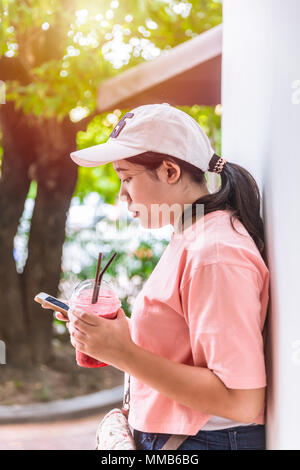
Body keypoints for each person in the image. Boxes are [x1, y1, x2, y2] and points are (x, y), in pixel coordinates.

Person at [45, 103, 269, 450]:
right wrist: (111, 335)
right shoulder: (192, 233)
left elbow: (241, 400)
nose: (122, 195)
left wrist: (123, 352)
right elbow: (183, 344)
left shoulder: (215, 253)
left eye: (127, 178)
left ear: (169, 171)